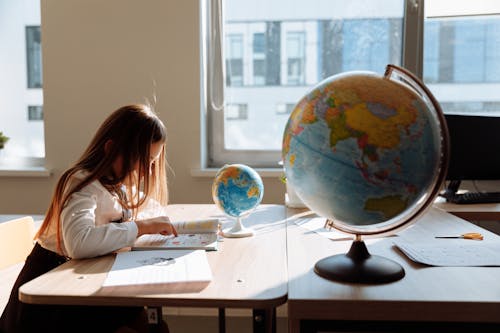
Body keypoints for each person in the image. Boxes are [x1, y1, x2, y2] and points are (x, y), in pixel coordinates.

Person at [0, 104, 177, 333]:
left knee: (147, 321)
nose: (147, 170)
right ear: (112, 149)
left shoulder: (116, 185)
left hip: (75, 283)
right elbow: (79, 242)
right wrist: (141, 227)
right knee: (142, 324)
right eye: (142, 160)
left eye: (152, 161)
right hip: (48, 296)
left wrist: (159, 222)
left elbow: (147, 208)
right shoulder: (81, 183)